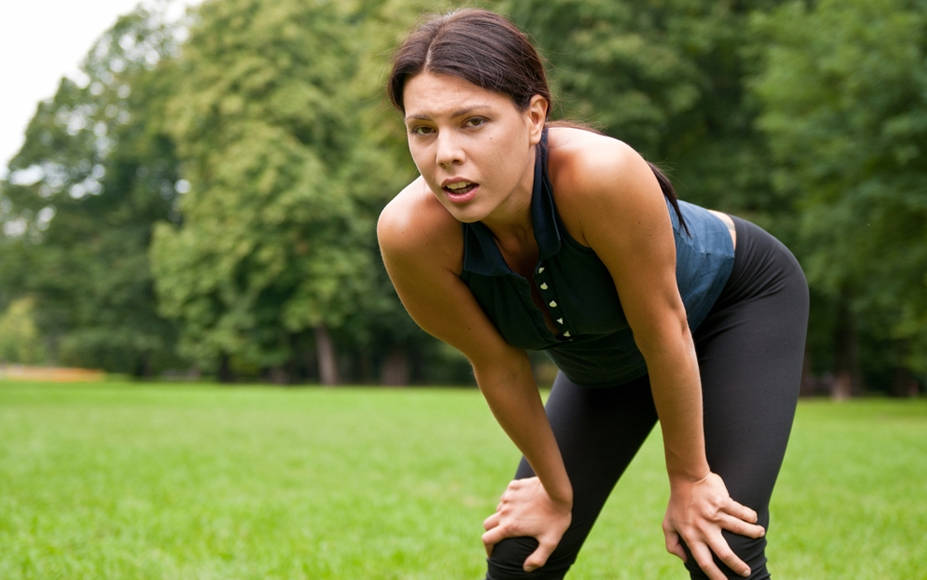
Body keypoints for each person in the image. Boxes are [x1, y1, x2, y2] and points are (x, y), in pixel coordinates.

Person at [377, 8, 808, 580]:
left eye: (474, 122)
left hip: (732, 307)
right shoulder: (411, 235)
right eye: (423, 129)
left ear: (534, 116)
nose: (446, 153)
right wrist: (554, 493)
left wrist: (690, 479)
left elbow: (664, 328)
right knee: (522, 551)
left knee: (718, 539)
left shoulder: (599, 176)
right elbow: (499, 365)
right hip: (606, 357)